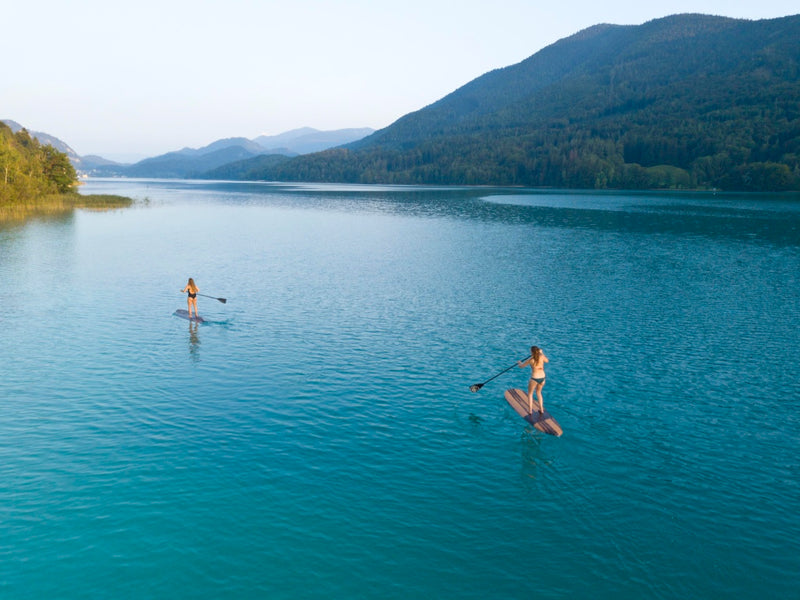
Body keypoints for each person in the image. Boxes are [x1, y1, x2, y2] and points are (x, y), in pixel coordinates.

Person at [518, 345, 548, 416]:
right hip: (542, 378)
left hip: (534, 378)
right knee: (539, 393)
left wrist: (519, 363)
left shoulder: (530, 360)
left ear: (532, 352)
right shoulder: (541, 357)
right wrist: (542, 353)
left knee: (530, 394)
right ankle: (541, 410)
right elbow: (547, 361)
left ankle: (530, 411)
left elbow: (521, 366)